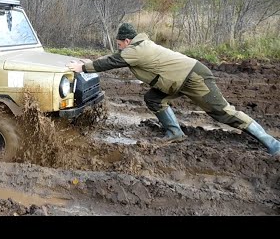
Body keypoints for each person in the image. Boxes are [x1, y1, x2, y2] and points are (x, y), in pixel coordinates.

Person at [66, 23, 280, 156]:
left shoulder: (136, 50)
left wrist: (83, 67)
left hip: (194, 78)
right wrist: (89, 61)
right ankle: (174, 132)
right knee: (153, 99)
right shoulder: (139, 47)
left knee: (223, 113)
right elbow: (113, 58)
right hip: (174, 81)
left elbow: (112, 62)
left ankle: (272, 143)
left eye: (119, 43)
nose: (119, 46)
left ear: (127, 41)